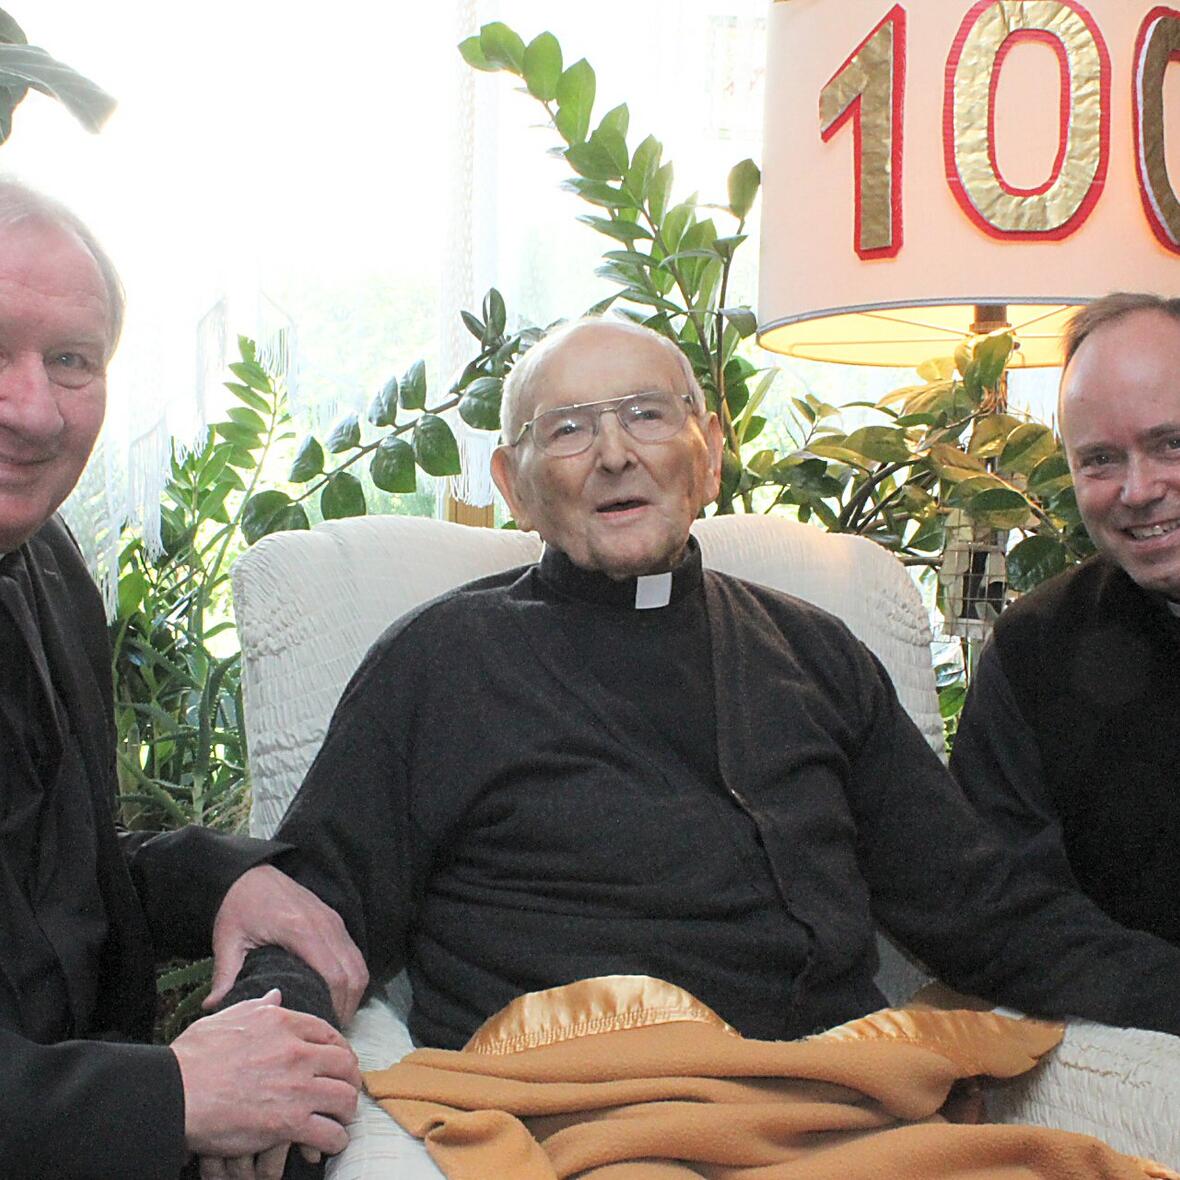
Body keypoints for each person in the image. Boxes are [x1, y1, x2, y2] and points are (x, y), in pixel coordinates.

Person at [229, 316, 1180, 1057]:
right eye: (568, 429)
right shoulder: (436, 663)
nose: (614, 455)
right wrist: (263, 1036)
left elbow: (982, 911)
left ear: (710, 451)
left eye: (647, 414)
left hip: (830, 1096)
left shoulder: (816, 652)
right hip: (566, 1106)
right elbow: (314, 906)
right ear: (514, 486)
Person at [0, 178, 369, 1180]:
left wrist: (224, 877)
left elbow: (45, 883)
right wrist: (166, 1096)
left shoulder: (45, 563)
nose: (33, 410)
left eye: (70, 360)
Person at [952, 292, 1180, 946]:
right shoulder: (1033, 651)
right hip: (1125, 1036)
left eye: (1170, 443)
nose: (1137, 492)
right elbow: (1003, 910)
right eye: (1100, 459)